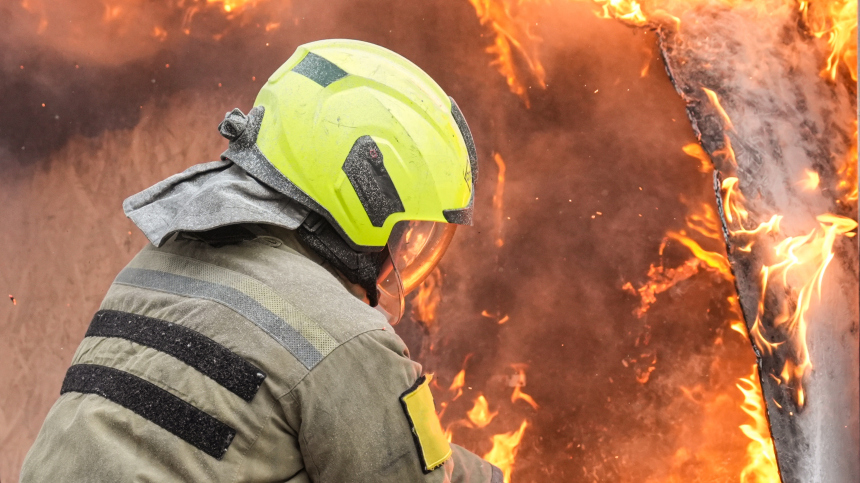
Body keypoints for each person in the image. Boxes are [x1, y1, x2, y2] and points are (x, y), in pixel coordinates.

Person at [21, 39, 501, 482]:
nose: (407, 251)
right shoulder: (344, 339)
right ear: (366, 193)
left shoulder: (149, 268)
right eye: (410, 231)